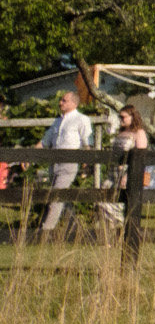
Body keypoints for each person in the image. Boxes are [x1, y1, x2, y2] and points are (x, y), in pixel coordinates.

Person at [37, 89, 95, 236]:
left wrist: (86, 163)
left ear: (74, 103)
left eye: (64, 100)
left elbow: (87, 142)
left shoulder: (82, 120)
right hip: (54, 163)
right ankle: (77, 228)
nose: (60, 102)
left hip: (69, 163)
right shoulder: (57, 121)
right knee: (60, 196)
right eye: (61, 100)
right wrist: (27, 156)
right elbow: (44, 142)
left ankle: (45, 233)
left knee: (56, 197)